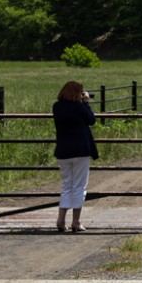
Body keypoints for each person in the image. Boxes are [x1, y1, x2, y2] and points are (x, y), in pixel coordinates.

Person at [52, 80, 97, 232]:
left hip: (63, 151)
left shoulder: (57, 107)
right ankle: (76, 222)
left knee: (66, 186)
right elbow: (91, 120)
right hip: (80, 150)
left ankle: (60, 220)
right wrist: (86, 103)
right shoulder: (79, 107)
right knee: (79, 186)